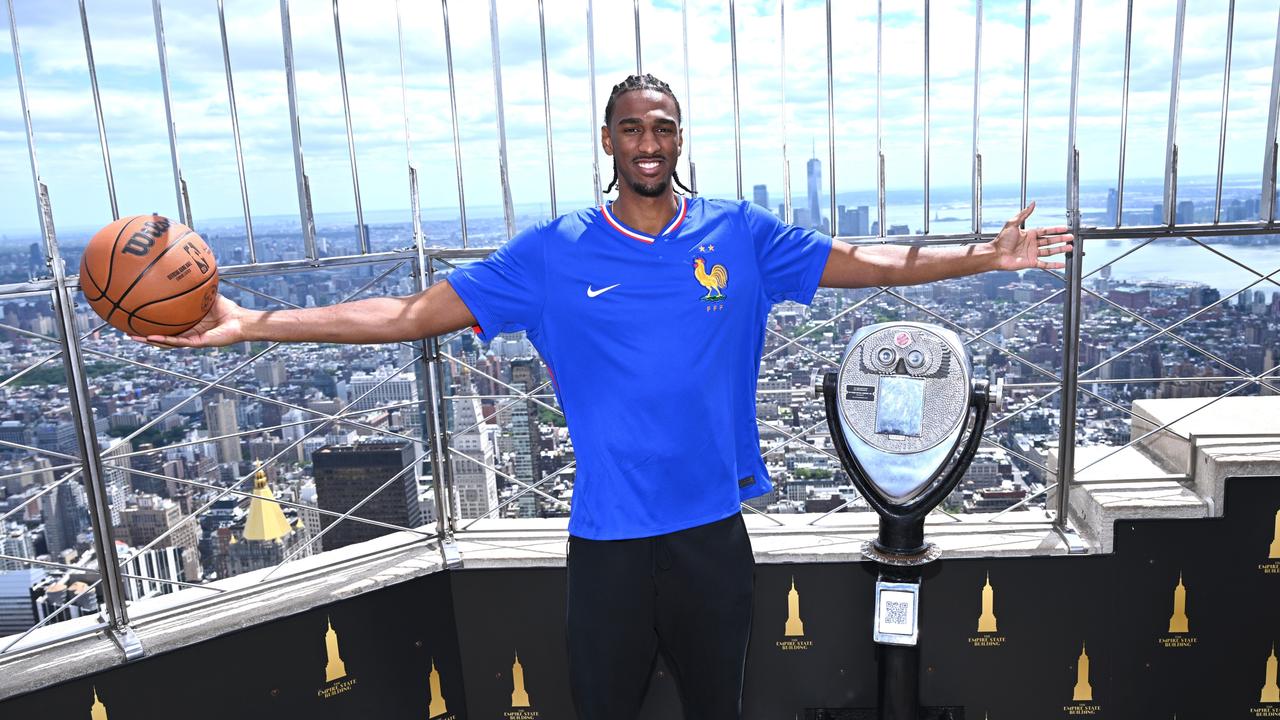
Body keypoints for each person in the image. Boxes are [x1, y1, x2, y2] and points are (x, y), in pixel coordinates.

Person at [137, 74, 1072, 719]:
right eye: (633, 127)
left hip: (713, 530)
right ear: (609, 141)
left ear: (678, 138)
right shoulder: (552, 251)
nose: (650, 142)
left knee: (720, 707)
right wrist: (254, 322)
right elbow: (407, 314)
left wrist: (984, 256)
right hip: (609, 539)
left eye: (664, 127)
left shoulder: (739, 233)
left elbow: (862, 264)